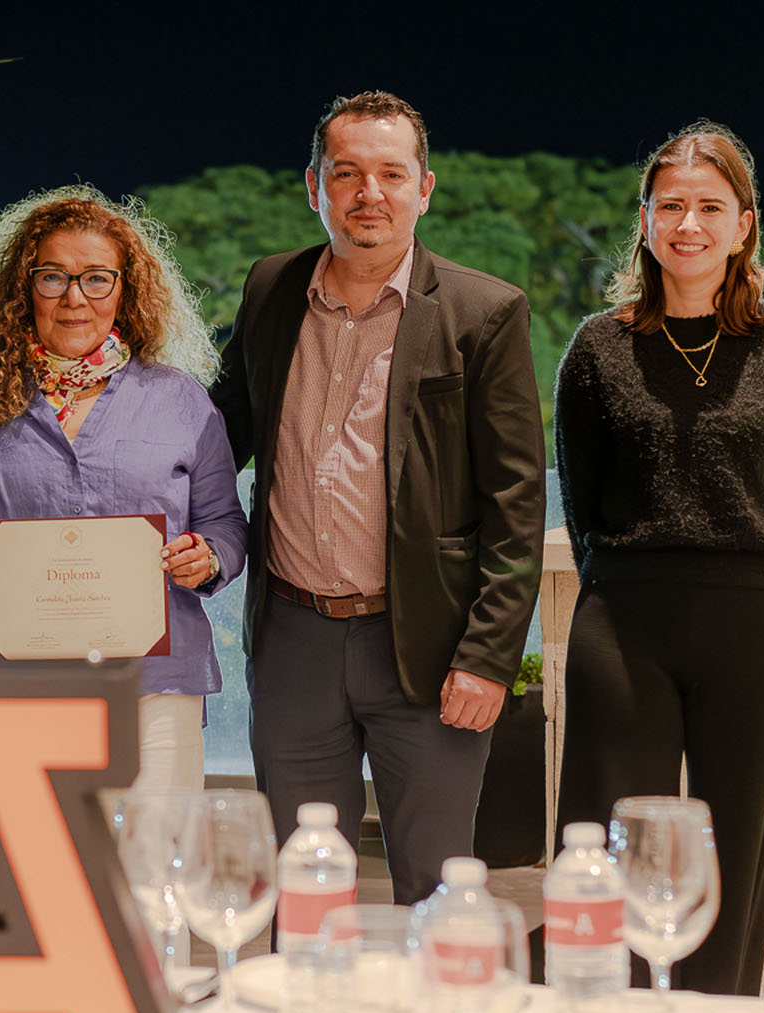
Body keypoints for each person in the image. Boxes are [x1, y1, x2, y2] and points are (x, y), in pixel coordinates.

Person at [210, 92, 547, 904]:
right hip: (293, 639)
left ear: (424, 188)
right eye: (347, 173)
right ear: (313, 185)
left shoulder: (482, 312)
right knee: (302, 887)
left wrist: (489, 656)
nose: (369, 193)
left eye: (391, 174)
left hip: (428, 649)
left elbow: (516, 503)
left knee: (435, 892)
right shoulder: (270, 290)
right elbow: (217, 438)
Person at [553, 122, 764, 996]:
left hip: (751, 623)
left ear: (743, 225)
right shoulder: (599, 350)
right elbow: (582, 493)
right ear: (644, 221)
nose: (689, 224)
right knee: (610, 851)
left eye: (710, 207)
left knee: (736, 854)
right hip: (623, 624)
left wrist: (755, 576)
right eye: (671, 206)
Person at [0, 188, 246, 790]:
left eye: (96, 279)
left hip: (154, 686)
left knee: (149, 867)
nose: (74, 298)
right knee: (24, 870)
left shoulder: (181, 402)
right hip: (8, 687)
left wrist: (209, 556)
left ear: (125, 289)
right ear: (22, 287)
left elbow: (224, 522)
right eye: (53, 277)